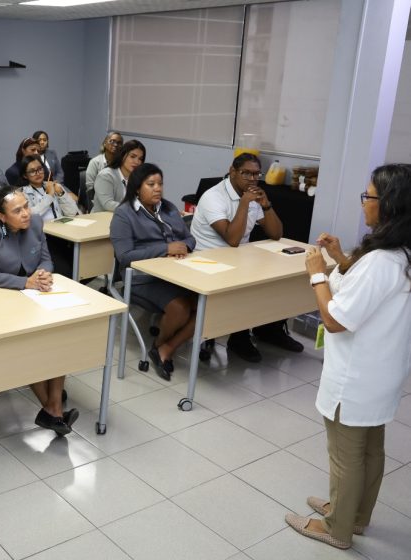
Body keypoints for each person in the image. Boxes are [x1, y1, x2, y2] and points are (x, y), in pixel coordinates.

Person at [285, 164, 411, 550]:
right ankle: (354, 514)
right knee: (371, 448)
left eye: (368, 196)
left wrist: (316, 273)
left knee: (345, 454)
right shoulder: (401, 254)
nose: (363, 204)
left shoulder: (380, 262)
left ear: (387, 204)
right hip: (381, 372)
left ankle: (336, 527)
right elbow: (363, 293)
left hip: (356, 377)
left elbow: (336, 319)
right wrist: (340, 258)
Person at [0, 185, 78, 436]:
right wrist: (25, 282)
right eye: (17, 210)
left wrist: (42, 274)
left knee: (57, 338)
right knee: (29, 346)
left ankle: (52, 410)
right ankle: (52, 410)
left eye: (26, 206)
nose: (26, 213)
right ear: (1, 216)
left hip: (34, 296)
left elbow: (46, 259)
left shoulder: (36, 224)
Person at [190, 153, 303, 362]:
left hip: (238, 258)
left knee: (278, 278)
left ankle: (270, 329)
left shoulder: (251, 195)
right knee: (247, 285)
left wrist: (266, 204)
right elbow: (232, 239)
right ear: (232, 172)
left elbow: (276, 234)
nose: (252, 179)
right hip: (207, 260)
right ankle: (238, 338)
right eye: (246, 174)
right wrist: (244, 204)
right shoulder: (213, 197)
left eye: (256, 174)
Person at [110, 163, 197, 381]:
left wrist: (184, 246)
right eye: (151, 184)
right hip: (141, 279)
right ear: (137, 188)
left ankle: (165, 347)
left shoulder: (167, 207)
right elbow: (124, 256)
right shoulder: (124, 214)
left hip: (174, 273)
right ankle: (159, 347)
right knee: (181, 307)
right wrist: (165, 249)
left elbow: (189, 237)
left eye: (160, 184)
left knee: (207, 305)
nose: (158, 189)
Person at [19, 155, 78, 276]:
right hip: (45, 238)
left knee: (82, 265)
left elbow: (72, 212)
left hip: (65, 234)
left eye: (40, 169)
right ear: (25, 175)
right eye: (32, 171)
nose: (38, 173)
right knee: (65, 271)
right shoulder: (23, 193)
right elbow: (32, 214)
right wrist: (49, 196)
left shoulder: (53, 186)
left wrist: (60, 193)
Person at [92, 139, 145, 212]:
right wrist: (135, 208)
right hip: (102, 219)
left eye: (140, 159)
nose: (137, 162)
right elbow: (108, 204)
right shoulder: (106, 175)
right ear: (123, 155)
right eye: (132, 156)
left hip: (126, 218)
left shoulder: (137, 178)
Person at [85, 132, 124, 198]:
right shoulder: (95, 162)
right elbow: (90, 189)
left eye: (119, 143)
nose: (116, 144)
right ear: (105, 143)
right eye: (112, 141)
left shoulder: (122, 164)